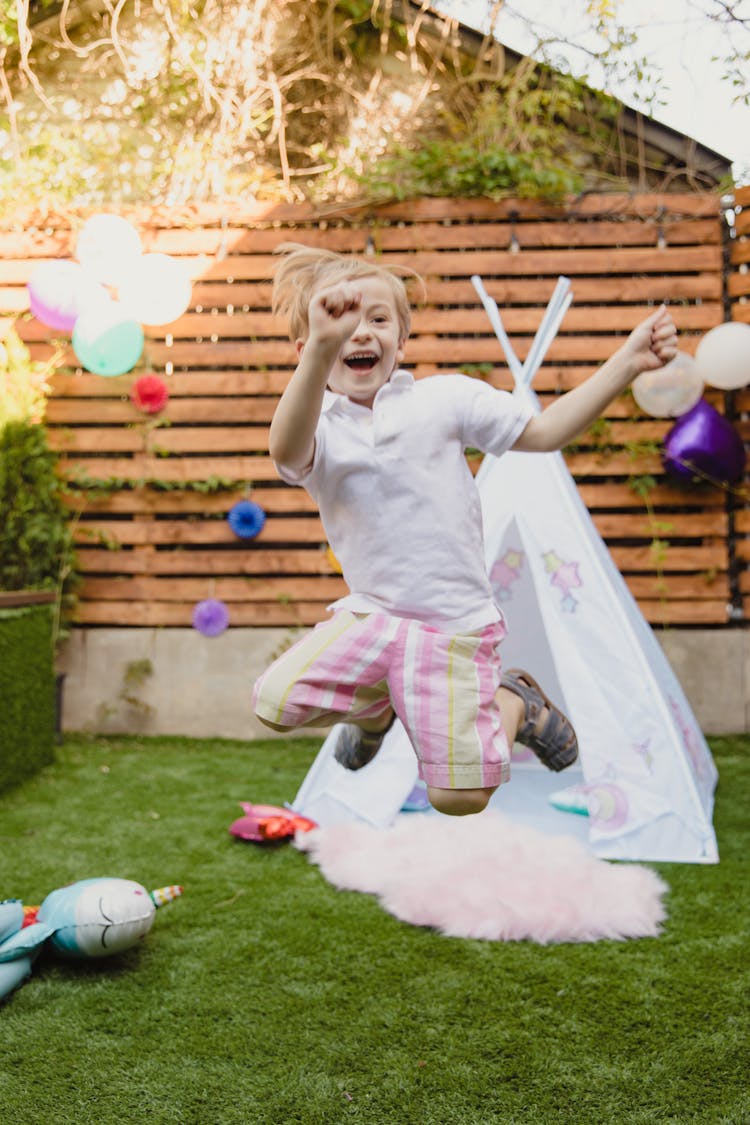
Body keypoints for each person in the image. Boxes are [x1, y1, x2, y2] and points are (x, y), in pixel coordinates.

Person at [252, 243, 678, 817]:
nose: (360, 333)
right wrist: (321, 347)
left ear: (401, 341)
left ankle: (517, 703)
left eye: (378, 320)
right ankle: (377, 709)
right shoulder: (318, 427)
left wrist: (625, 364)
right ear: (309, 349)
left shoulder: (444, 398)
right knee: (275, 703)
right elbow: (284, 449)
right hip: (373, 617)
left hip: (453, 629)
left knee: (458, 799)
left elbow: (545, 431)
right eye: (340, 323)